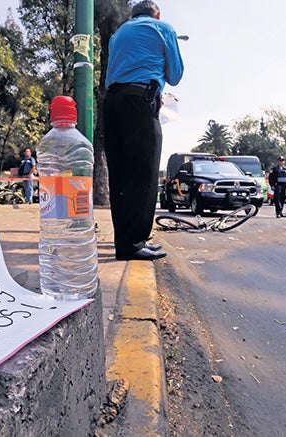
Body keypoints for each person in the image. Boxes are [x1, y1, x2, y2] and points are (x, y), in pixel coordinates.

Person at [103, 0, 184, 261]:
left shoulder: (118, 35)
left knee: (121, 176)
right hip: (140, 103)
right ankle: (135, 243)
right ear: (156, 14)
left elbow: (110, 77)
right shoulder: (162, 28)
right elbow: (175, 75)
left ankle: (124, 243)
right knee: (144, 174)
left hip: (112, 103)